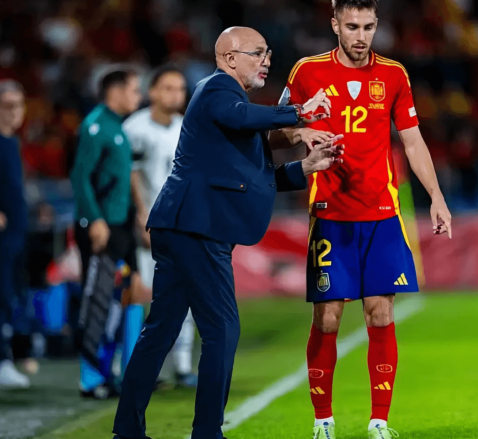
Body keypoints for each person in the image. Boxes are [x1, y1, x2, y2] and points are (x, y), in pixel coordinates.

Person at [112, 26, 343, 439]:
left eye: (268, 52)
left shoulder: (232, 106)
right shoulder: (218, 90)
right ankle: (207, 432)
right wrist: (300, 112)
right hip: (196, 229)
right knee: (221, 329)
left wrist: (305, 168)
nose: (267, 59)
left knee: (161, 330)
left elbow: (250, 175)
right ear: (229, 57)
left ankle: (128, 428)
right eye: (258, 53)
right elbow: (243, 118)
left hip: (182, 226)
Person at [272, 1, 452, 437]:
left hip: (382, 214)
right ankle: (323, 421)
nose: (360, 36)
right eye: (351, 26)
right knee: (328, 317)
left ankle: (379, 422)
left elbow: (412, 141)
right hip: (331, 214)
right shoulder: (306, 72)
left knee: (380, 313)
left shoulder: (394, 74)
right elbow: (276, 130)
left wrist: (437, 197)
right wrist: (302, 131)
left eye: (368, 26)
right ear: (335, 25)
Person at [123, 65, 198, 387]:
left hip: (181, 227)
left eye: (180, 89)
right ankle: (134, 367)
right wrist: (141, 217)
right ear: (151, 91)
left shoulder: (187, 128)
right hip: (146, 228)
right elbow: (130, 175)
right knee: (139, 297)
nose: (175, 95)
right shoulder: (134, 129)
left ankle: (181, 366)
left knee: (188, 296)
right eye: (167, 88)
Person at [70, 67, 143, 398]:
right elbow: (80, 177)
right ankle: (89, 378)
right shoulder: (95, 125)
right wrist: (95, 220)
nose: (137, 96)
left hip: (120, 227)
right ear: (115, 92)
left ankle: (107, 372)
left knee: (117, 302)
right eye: (134, 90)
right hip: (101, 227)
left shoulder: (117, 127)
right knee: (98, 301)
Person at [0, 79, 30, 388]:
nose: (14, 113)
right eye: (7, 106)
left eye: (18, 106)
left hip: (16, 233)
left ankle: (7, 357)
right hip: (4, 234)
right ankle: (3, 360)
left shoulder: (11, 141)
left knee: (9, 294)